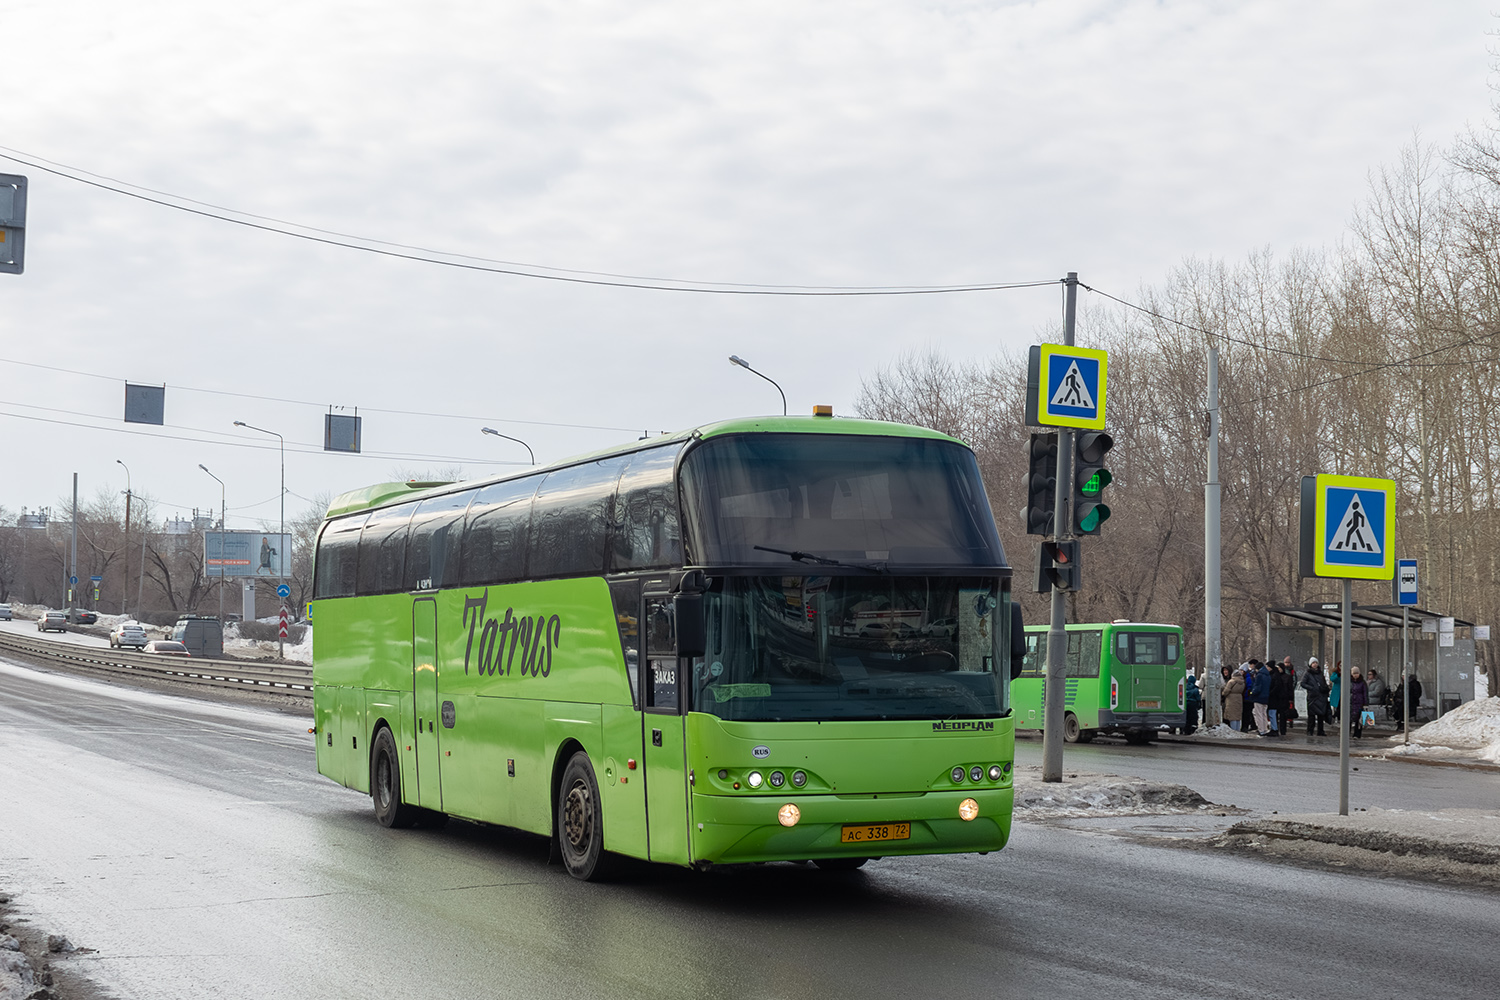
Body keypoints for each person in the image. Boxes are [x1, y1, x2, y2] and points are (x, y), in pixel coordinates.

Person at [1301, 657, 1329, 736]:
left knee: (1321, 715)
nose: (1315, 664)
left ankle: (1320, 731)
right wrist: (1311, 688)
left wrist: (1325, 689)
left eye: (1316, 663)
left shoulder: (1320, 673)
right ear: (1310, 664)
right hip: (1312, 697)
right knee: (1311, 716)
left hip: (1320, 696)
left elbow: (1323, 683)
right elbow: (1303, 683)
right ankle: (1310, 730)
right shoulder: (1307, 673)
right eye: (1313, 663)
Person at [1269, 660, 1293, 736]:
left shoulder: (1287, 677)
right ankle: (1276, 728)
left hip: (1284, 698)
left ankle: (1283, 730)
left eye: (1279, 668)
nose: (1278, 669)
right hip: (1277, 698)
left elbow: (1290, 689)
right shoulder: (1275, 676)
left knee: (1283, 716)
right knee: (1275, 714)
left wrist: (1290, 699)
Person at [1251, 659, 1273, 736]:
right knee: (1264, 713)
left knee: (1258, 713)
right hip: (1266, 697)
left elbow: (1257, 687)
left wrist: (1252, 693)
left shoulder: (1259, 675)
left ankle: (1261, 730)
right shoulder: (1268, 675)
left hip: (1258, 697)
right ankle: (1265, 729)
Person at [1349, 667, 1370, 737]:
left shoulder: (1362, 682)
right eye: (1354, 673)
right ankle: (1347, 733)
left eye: (1357, 673)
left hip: (1359, 703)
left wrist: (1366, 704)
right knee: (1348, 719)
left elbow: (1365, 693)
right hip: (1350, 703)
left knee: (1359, 720)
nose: (1355, 675)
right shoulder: (1349, 682)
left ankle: (1357, 734)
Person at [1183, 669, 1201, 734]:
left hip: (1185, 704)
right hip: (1193, 704)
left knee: (1187, 717)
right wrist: (1199, 704)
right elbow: (1198, 698)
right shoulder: (1195, 689)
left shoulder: (1184, 687)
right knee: (1193, 717)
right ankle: (1193, 729)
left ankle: (1186, 730)